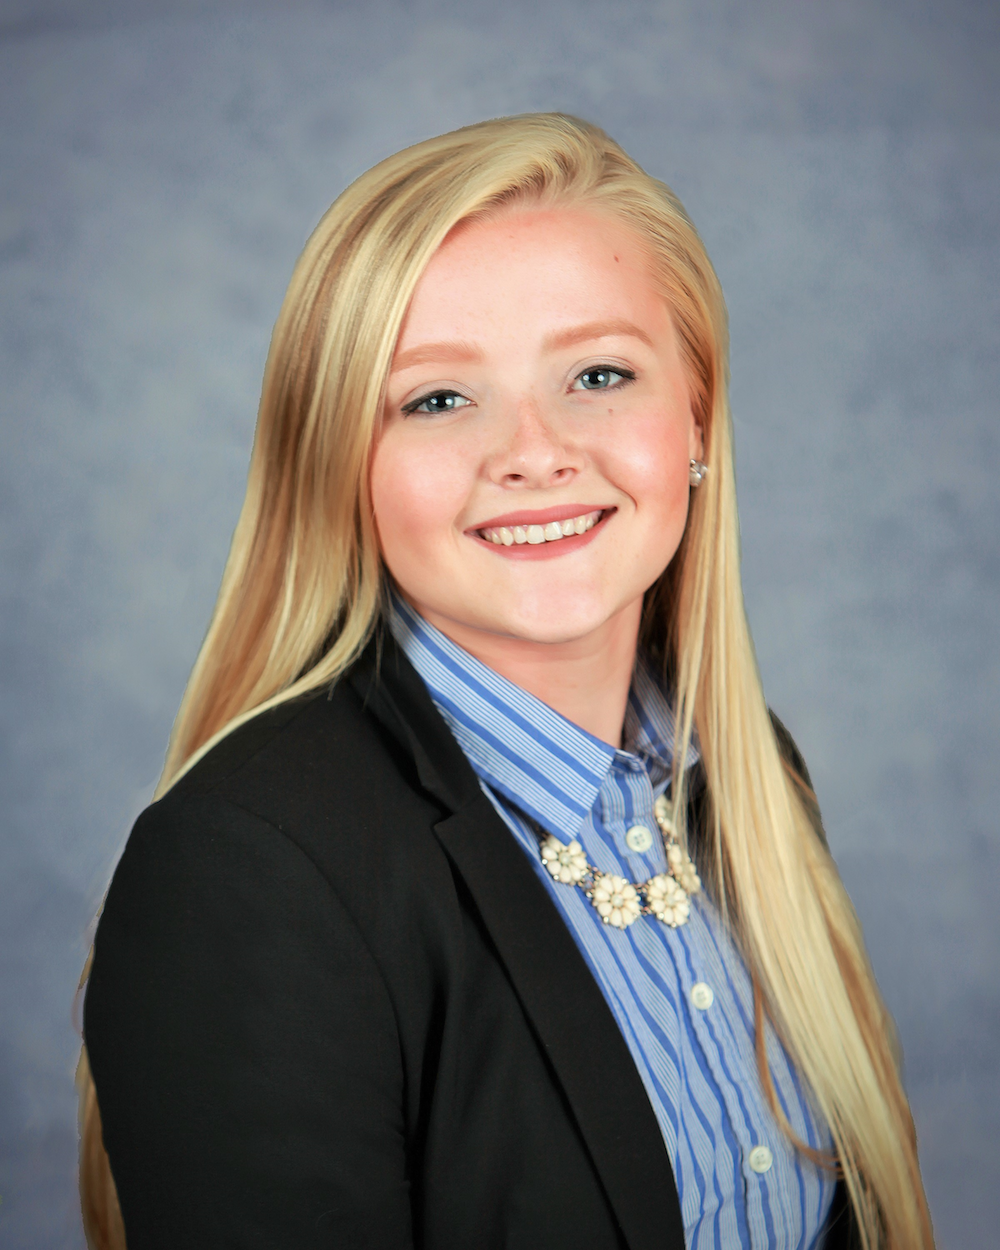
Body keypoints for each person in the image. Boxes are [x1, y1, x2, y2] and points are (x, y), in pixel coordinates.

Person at [78, 113, 934, 1250]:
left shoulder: (747, 772)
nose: (533, 451)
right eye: (438, 398)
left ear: (695, 414)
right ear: (341, 461)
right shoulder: (250, 869)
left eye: (597, 373)